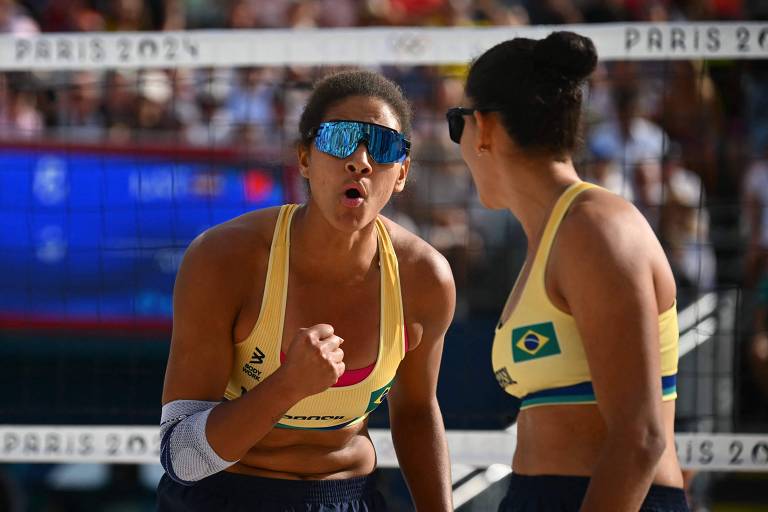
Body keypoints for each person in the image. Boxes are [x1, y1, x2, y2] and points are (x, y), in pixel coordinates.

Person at [157, 69, 455, 511]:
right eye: (339, 139)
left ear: (402, 173)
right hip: (223, 494)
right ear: (304, 159)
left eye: (383, 146)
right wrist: (287, 386)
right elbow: (181, 457)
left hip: (347, 497)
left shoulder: (425, 277)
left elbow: (414, 413)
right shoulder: (226, 257)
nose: (361, 161)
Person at [446, 32, 689, 511]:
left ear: (486, 127)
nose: (460, 144)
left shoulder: (595, 229)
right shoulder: (554, 234)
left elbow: (640, 438)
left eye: (460, 125)